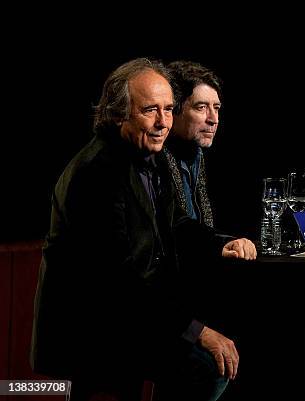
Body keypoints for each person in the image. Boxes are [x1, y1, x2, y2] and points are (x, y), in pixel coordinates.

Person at [30, 58, 256, 401]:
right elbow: (116, 278)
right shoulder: (96, 174)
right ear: (119, 113)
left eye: (168, 109)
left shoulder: (149, 157)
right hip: (95, 325)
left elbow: (176, 224)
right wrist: (197, 331)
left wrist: (218, 244)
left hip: (130, 313)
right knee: (208, 366)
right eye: (151, 110)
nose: (163, 122)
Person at [160, 60, 222, 228]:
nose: (213, 119)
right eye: (201, 107)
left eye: (216, 108)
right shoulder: (153, 159)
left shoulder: (196, 154)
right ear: (174, 110)